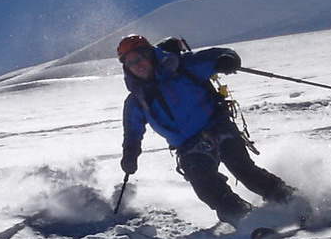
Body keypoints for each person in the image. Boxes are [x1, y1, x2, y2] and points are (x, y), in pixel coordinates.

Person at [117, 34, 295, 225]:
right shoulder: (136, 100)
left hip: (217, 126)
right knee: (206, 188)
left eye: (140, 57)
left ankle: (291, 200)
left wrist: (227, 60)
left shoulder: (181, 66)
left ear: (150, 54)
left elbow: (219, 55)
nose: (138, 64)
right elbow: (132, 132)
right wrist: (130, 155)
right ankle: (245, 219)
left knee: (245, 171)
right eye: (131, 63)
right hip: (188, 147)